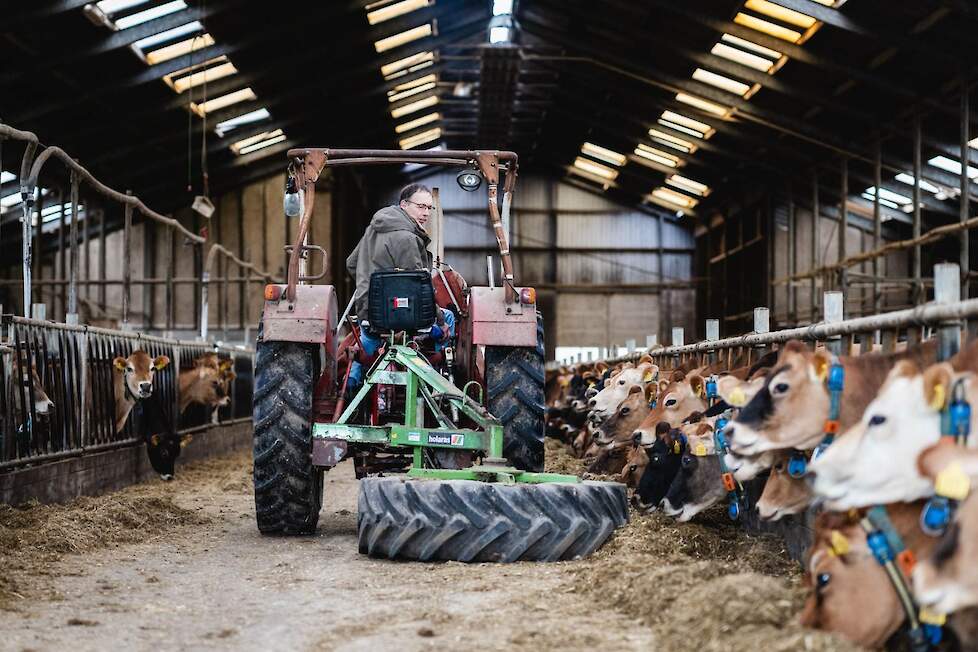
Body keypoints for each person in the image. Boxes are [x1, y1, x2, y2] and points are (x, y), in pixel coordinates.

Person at [345, 184, 444, 389]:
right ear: (404, 205)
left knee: (366, 342)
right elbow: (419, 287)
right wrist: (440, 320)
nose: (425, 213)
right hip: (403, 318)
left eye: (428, 208)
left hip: (369, 314)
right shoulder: (407, 238)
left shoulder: (373, 228)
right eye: (420, 207)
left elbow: (351, 264)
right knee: (448, 320)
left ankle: (351, 385)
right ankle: (438, 385)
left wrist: (373, 292)